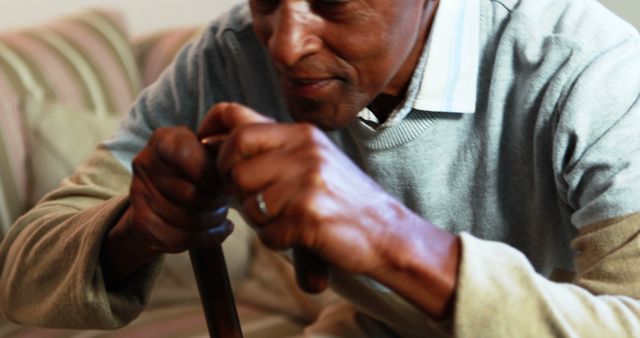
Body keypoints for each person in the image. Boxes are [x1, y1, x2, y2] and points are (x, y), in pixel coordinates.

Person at [1, 0, 640, 336]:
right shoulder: (227, 59)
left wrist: (390, 237)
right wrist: (137, 228)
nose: (283, 43)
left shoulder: (590, 71)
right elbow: (22, 273)